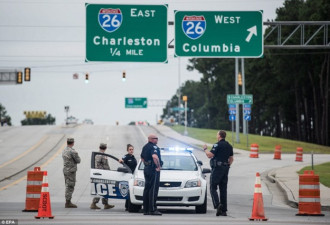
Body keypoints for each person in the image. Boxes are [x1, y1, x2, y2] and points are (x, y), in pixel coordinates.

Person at [203, 130, 234, 217]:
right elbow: (231, 159)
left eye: (217, 134)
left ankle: (217, 205)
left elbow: (210, 155)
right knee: (223, 190)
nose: (217, 136)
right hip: (225, 169)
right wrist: (227, 166)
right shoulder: (229, 146)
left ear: (219, 136)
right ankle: (224, 211)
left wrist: (205, 149)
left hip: (217, 169)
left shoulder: (217, 145)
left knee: (213, 187)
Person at [140, 134, 162, 216]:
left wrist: (146, 164)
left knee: (147, 189)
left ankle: (146, 209)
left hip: (147, 168)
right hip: (153, 169)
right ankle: (152, 209)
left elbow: (142, 157)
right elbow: (155, 157)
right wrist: (158, 166)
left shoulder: (145, 147)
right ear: (151, 139)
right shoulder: (154, 147)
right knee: (153, 189)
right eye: (156, 138)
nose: (157, 140)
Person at [90, 143, 115, 210]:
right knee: (101, 189)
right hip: (103, 174)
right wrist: (109, 172)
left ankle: (106, 204)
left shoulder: (97, 154)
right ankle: (94, 203)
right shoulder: (102, 155)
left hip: (100, 173)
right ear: (105, 148)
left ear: (99, 147)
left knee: (105, 188)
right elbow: (104, 165)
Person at [62, 137, 81, 208]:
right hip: (71, 171)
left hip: (65, 170)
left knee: (67, 185)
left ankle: (68, 201)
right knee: (70, 186)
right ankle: (68, 202)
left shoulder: (64, 150)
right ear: (73, 143)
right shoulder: (73, 151)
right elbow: (78, 160)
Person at [119, 144, 137, 211]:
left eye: (132, 149)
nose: (131, 151)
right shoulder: (126, 157)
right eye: (130, 149)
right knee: (128, 191)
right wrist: (121, 161)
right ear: (127, 150)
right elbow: (121, 160)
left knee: (131, 191)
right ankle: (127, 206)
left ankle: (129, 205)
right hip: (127, 176)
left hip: (133, 176)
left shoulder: (133, 157)